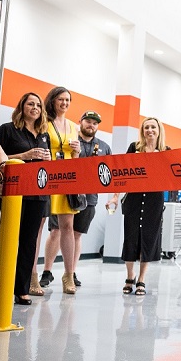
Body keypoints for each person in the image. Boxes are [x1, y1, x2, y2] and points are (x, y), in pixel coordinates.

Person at [39, 110, 112, 289]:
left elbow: (108, 172)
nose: (91, 125)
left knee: (77, 234)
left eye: (95, 123)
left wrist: (114, 196)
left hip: (89, 198)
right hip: (64, 193)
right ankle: (47, 271)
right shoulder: (69, 139)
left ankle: (70, 272)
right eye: (88, 121)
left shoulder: (104, 147)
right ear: (81, 122)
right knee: (56, 231)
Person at [0, 92, 52, 306]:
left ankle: (22, 289)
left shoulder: (44, 134)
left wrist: (48, 160)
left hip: (38, 194)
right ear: (22, 107)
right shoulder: (7, 130)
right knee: (10, 239)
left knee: (29, 242)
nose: (35, 107)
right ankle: (2, 287)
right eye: (30, 104)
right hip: (14, 192)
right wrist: (24, 156)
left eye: (38, 105)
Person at [106, 117, 167, 297]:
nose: (150, 130)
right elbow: (122, 173)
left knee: (148, 238)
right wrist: (115, 196)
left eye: (153, 127)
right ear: (142, 131)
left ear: (159, 130)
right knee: (131, 237)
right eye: (146, 127)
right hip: (133, 198)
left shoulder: (166, 151)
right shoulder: (134, 148)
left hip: (154, 201)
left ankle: (141, 279)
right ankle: (129, 276)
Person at [43, 86, 83, 295]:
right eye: (61, 99)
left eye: (67, 100)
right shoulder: (44, 122)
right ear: (52, 100)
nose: (64, 103)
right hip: (47, 177)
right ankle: (33, 275)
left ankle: (68, 274)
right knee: (40, 226)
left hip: (67, 178)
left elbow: (75, 157)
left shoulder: (73, 126)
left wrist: (77, 151)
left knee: (68, 226)